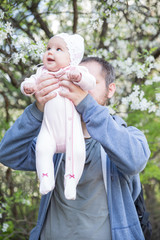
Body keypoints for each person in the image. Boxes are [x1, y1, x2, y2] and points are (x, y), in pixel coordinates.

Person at [0, 56, 150, 240]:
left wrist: (87, 105)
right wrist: (38, 109)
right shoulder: (55, 140)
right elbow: (8, 154)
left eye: (88, 81)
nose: (80, 87)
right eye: (74, 80)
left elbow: (135, 161)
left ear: (110, 89)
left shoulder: (125, 135)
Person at [20, 33, 96, 199]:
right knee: (41, 149)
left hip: (72, 130)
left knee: (77, 152)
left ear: (72, 58)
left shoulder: (74, 71)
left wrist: (80, 77)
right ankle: (46, 178)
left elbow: (90, 82)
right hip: (49, 130)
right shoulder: (41, 72)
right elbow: (30, 80)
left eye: (58, 49)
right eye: (48, 48)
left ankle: (71, 181)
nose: (50, 52)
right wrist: (28, 86)